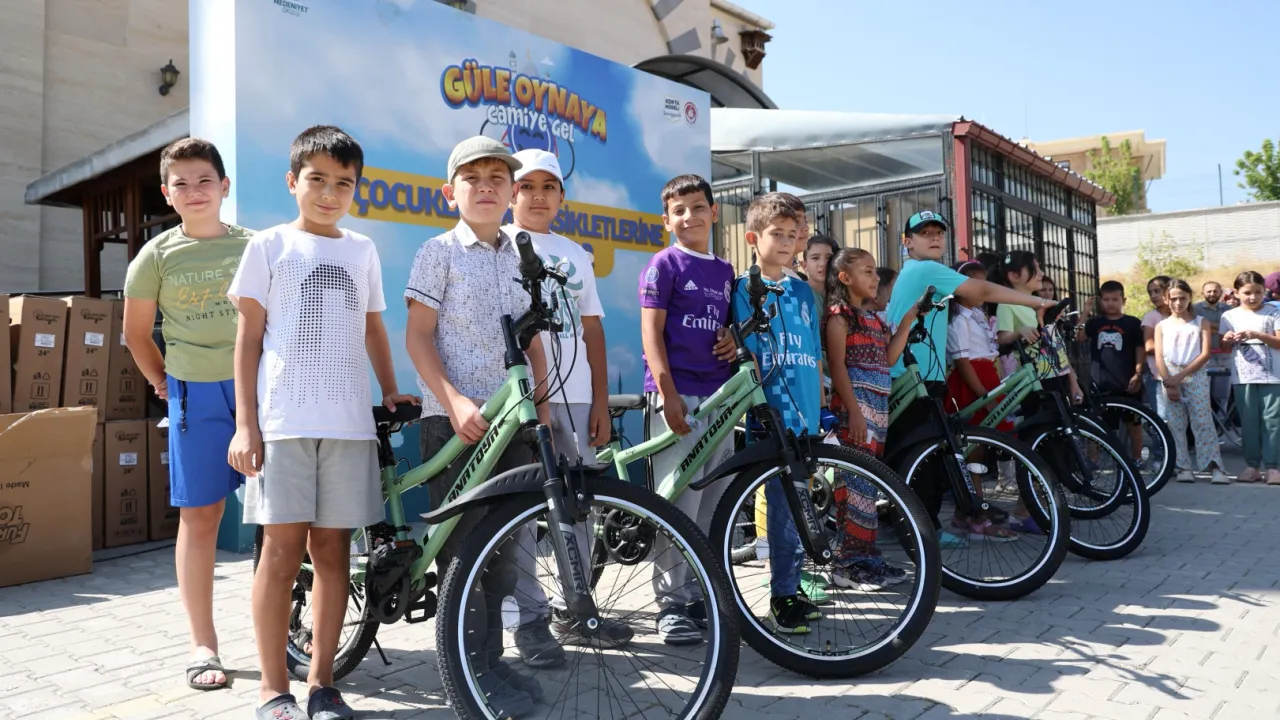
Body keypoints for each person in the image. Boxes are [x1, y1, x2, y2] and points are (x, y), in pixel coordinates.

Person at [227, 126, 417, 720]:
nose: (330, 193)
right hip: (283, 422)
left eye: (344, 183)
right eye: (317, 180)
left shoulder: (361, 250)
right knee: (281, 554)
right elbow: (247, 340)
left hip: (348, 425)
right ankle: (272, 689)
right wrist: (245, 424)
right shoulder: (269, 246)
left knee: (334, 554)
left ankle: (322, 684)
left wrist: (389, 387)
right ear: (292, 181)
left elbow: (373, 327)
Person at [404, 136, 553, 714]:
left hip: (512, 425)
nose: (486, 187)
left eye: (498, 178)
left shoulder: (520, 255)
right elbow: (418, 337)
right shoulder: (437, 252)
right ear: (451, 193)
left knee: (503, 553)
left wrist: (542, 405)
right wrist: (455, 402)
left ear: (511, 192)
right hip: (455, 427)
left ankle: (489, 663)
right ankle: (469, 674)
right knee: (464, 555)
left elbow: (532, 338)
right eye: (473, 178)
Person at [122, 138, 252, 692]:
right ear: (166, 193)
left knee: (286, 514)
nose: (194, 191)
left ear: (224, 186)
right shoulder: (155, 256)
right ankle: (203, 643)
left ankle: (293, 632)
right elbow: (136, 334)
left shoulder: (256, 246)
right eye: (182, 183)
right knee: (201, 517)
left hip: (259, 392)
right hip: (192, 394)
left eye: (205, 180)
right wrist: (162, 382)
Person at [501, 149, 632, 665]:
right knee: (520, 511)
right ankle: (529, 619)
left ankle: (576, 608)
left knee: (576, 503)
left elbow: (592, 329)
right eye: (527, 186)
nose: (538, 196)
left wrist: (599, 401)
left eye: (548, 187)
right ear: (511, 193)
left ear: (562, 197)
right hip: (521, 400)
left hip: (576, 397)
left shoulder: (576, 253)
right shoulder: (498, 244)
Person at [885, 211, 1053, 532]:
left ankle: (922, 529)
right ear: (907, 243)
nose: (935, 237)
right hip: (910, 375)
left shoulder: (926, 271)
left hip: (924, 375)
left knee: (923, 458)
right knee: (919, 460)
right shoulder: (924, 269)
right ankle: (919, 533)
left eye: (938, 232)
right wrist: (1037, 303)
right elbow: (982, 291)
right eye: (924, 233)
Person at [639, 174, 737, 644]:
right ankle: (671, 604)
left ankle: (700, 594)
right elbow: (650, 334)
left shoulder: (726, 271)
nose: (689, 217)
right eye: (678, 211)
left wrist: (732, 337)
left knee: (712, 504)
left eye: (698, 207)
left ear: (714, 212)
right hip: (679, 398)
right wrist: (667, 393)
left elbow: (730, 326)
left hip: (721, 399)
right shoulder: (664, 264)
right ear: (666, 220)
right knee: (678, 503)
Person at [730, 193, 824, 633]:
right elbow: (746, 353)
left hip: (806, 414)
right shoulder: (743, 288)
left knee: (804, 503)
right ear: (753, 238)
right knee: (783, 507)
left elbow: (814, 354)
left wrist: (821, 407)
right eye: (776, 234)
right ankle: (781, 596)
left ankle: (793, 586)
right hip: (771, 414)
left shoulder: (803, 289)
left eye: (792, 234)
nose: (787, 242)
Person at [824, 247, 918, 586]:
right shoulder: (839, 316)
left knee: (868, 488)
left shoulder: (873, 319)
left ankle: (866, 557)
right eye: (868, 271)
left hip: (876, 414)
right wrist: (853, 412)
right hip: (856, 415)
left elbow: (888, 359)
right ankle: (846, 563)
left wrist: (906, 323)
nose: (876, 277)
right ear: (845, 278)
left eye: (876, 271)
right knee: (853, 489)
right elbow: (837, 367)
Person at [944, 260, 1018, 543]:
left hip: (987, 379)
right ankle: (975, 516)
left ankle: (968, 513)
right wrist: (982, 396)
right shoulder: (959, 320)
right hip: (971, 386)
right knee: (972, 451)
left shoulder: (976, 315)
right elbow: (963, 362)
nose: (983, 290)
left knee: (981, 450)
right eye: (977, 285)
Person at [1154, 280, 1229, 484]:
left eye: (1183, 298)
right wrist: (1169, 382)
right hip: (1170, 374)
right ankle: (1182, 466)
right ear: (1166, 299)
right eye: (1173, 298)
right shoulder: (1161, 325)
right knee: (1176, 423)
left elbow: (1205, 354)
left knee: (1203, 420)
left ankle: (1214, 465)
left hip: (1195, 374)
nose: (1178, 303)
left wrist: (1181, 376)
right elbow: (1159, 356)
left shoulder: (1200, 322)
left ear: (1190, 298)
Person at [1218, 271, 1280, 484]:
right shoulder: (1229, 316)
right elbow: (1224, 347)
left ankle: (1272, 467)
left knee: (1272, 421)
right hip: (1243, 377)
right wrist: (1226, 339)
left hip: (1273, 376)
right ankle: (1252, 466)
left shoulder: (1274, 312)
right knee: (1249, 422)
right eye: (1247, 293)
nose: (1253, 297)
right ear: (1236, 293)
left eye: (1258, 292)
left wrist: (1257, 335)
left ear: (1265, 291)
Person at [1082, 281, 1146, 460]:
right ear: (1100, 301)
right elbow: (1079, 337)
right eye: (1106, 299)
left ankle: (1137, 459)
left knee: (1134, 423)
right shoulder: (1095, 323)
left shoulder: (1133, 323)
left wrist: (1138, 374)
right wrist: (1085, 312)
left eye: (1115, 299)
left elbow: (1140, 349)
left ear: (1123, 300)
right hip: (1101, 383)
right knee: (1096, 424)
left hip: (1128, 382)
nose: (1110, 303)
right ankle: (1093, 462)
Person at [1141, 276, 1173, 408]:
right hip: (1158, 375)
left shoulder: (1185, 315)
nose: (1153, 296)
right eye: (1150, 292)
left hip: (1183, 374)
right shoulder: (1151, 317)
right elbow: (1149, 346)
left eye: (1157, 291)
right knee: (1162, 415)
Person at [802, 234, 839, 310]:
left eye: (829, 258)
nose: (823, 263)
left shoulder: (843, 294)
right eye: (815, 258)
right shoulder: (797, 294)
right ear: (804, 265)